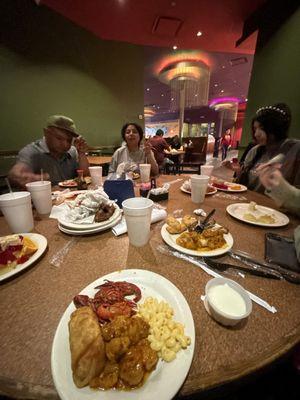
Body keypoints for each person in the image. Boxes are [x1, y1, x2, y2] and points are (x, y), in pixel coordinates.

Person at [227, 103, 300, 193]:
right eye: (255, 129)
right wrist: (238, 171)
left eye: (262, 128)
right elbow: (244, 186)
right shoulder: (254, 151)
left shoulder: (295, 149)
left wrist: (280, 184)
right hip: (248, 205)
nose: (256, 134)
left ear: (277, 128)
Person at [9, 115, 89, 187]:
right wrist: (40, 178)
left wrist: (81, 153)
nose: (65, 144)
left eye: (69, 140)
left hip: (70, 199)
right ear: (46, 133)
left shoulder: (72, 151)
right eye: (59, 138)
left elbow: (85, 175)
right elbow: (14, 176)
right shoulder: (32, 151)